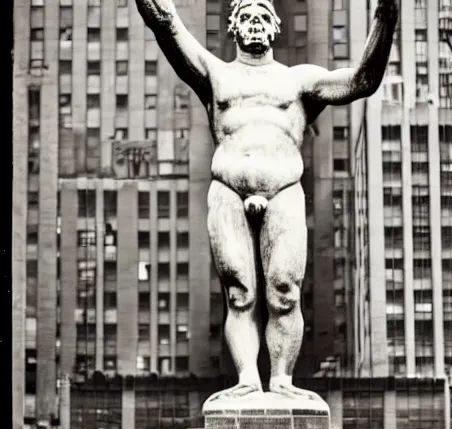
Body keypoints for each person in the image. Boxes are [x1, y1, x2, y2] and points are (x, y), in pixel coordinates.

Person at [135, 0, 398, 403]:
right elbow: (166, 23)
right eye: (247, 18)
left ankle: (281, 379)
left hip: (284, 190)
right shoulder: (215, 74)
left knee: (284, 291)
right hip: (228, 190)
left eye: (262, 17)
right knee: (240, 293)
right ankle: (246, 378)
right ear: (233, 27)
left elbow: (362, 80)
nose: (255, 24)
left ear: (274, 27)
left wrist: (385, 16)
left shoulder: (299, 81)